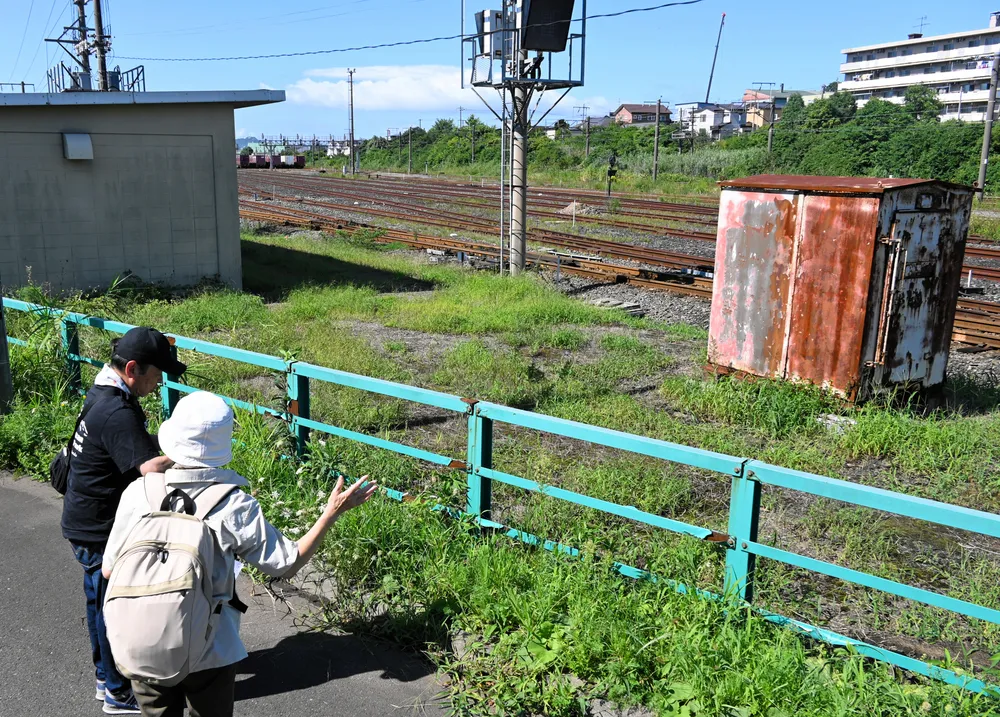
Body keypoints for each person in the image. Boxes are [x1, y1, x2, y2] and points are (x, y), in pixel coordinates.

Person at [101, 390, 378, 717]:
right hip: (210, 649)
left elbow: (108, 570)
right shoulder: (235, 506)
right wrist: (330, 512)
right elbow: (286, 563)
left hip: (141, 642)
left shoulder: (138, 493)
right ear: (222, 447)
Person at [61, 327, 186, 715]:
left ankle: (105, 679)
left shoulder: (103, 391)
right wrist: (192, 453)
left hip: (85, 517)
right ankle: (117, 691)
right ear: (132, 369)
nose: (159, 381)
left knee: (98, 600)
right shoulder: (115, 410)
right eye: (156, 374)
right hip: (98, 526)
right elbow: (149, 467)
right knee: (111, 607)